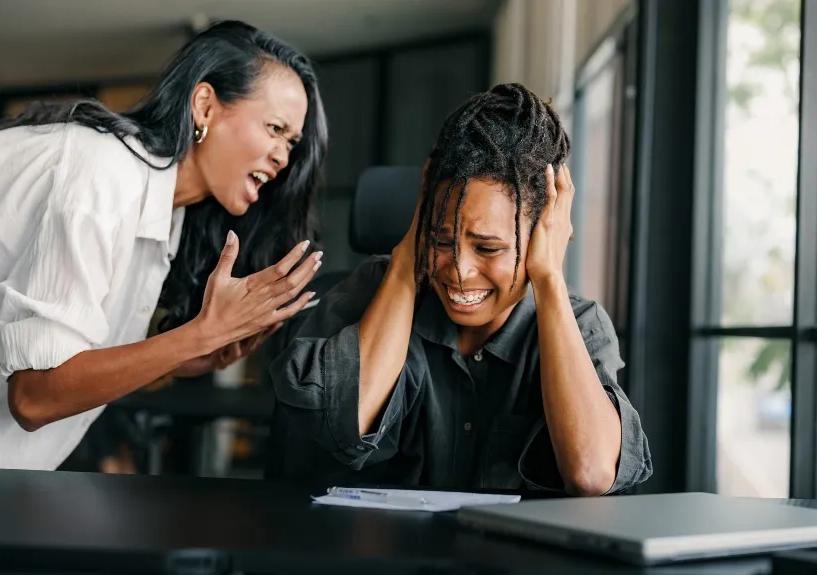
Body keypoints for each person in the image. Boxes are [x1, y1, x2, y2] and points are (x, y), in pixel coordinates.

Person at [0, 20, 326, 469]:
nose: (284, 157)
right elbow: (36, 394)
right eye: (275, 129)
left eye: (291, 142)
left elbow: (76, 368)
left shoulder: (162, 215)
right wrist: (200, 334)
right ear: (205, 106)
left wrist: (189, 355)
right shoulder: (101, 174)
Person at [270, 83, 652, 495]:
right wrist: (406, 262)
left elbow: (591, 473)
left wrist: (550, 279)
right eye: (440, 238)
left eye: (487, 247)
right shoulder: (372, 290)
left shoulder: (579, 323)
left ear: (546, 233)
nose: (458, 270)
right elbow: (345, 428)